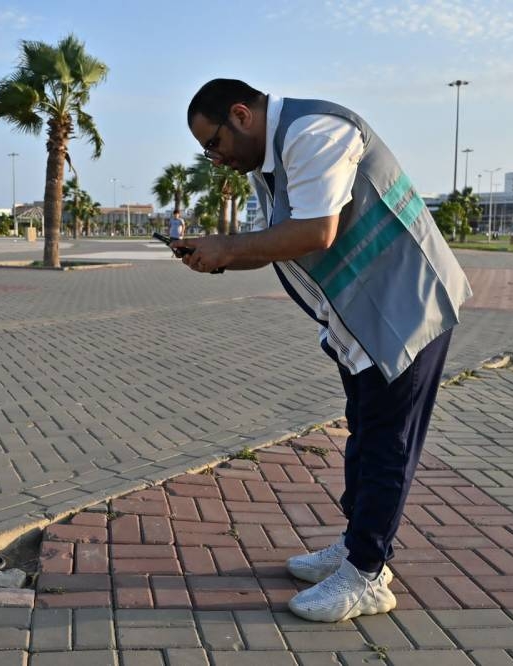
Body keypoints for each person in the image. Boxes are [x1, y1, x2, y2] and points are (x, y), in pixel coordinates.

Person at [176, 79, 472, 623]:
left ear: (240, 114)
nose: (215, 160)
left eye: (213, 144)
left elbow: (315, 231)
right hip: (363, 319)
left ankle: (368, 574)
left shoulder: (313, 132)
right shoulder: (273, 161)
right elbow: (272, 242)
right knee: (364, 433)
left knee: (386, 443)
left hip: (407, 309)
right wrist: (217, 256)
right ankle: (356, 546)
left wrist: (228, 247)